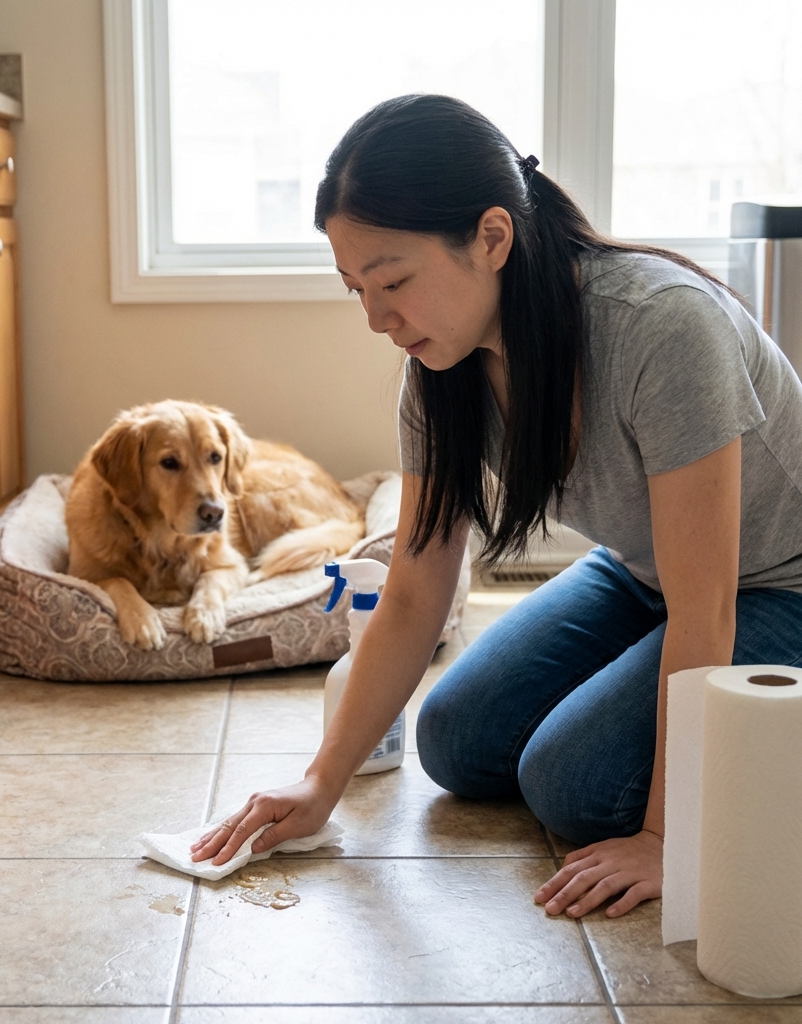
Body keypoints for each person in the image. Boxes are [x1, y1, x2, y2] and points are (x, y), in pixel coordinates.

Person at [190, 94, 802, 919]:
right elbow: (413, 589)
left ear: (492, 237)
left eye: (394, 281)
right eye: (354, 289)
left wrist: (665, 839)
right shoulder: (439, 371)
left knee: (570, 783)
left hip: (777, 586)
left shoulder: (663, 329)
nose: (377, 318)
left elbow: (706, 606)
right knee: (455, 739)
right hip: (642, 572)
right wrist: (319, 780)